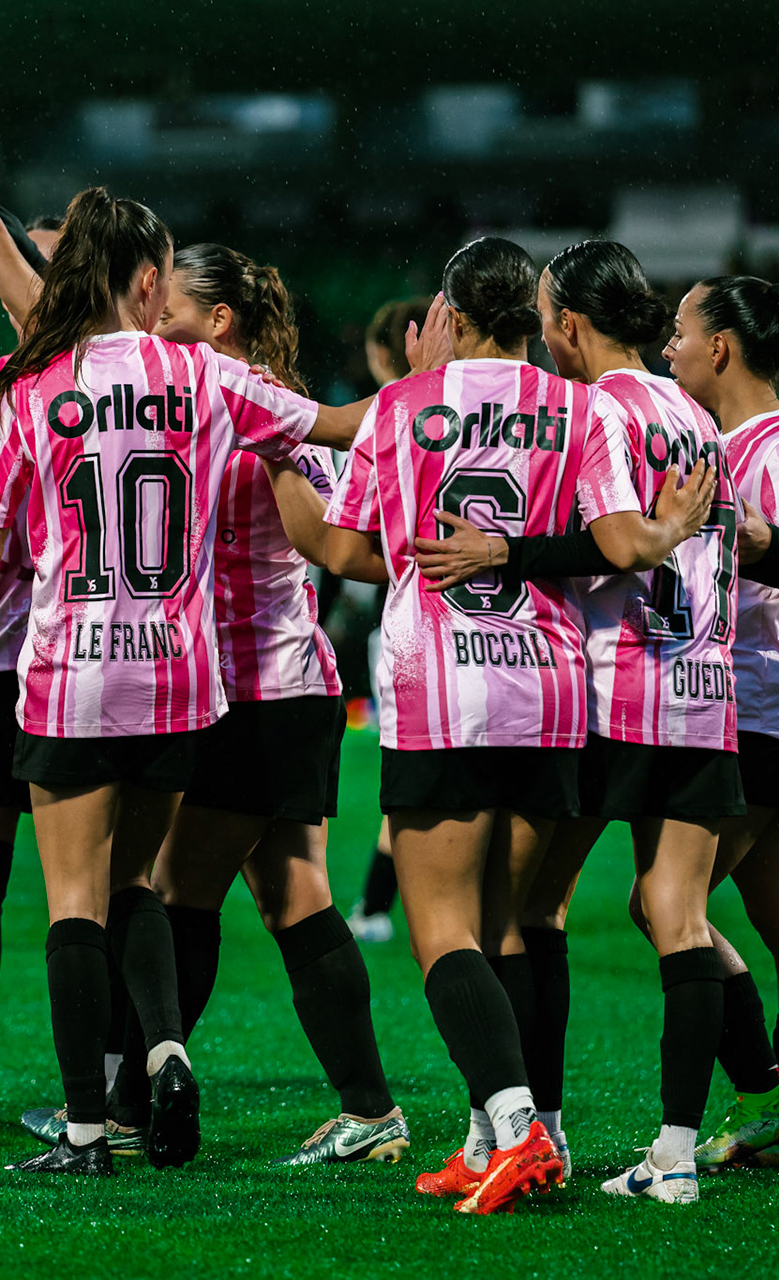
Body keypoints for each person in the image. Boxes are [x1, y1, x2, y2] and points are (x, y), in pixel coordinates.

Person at [0, 185, 369, 1177]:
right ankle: (162, 1050)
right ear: (150, 279)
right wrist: (447, 396)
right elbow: (335, 424)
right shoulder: (205, 376)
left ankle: (84, 1130)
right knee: (145, 888)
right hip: (179, 678)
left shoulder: (35, 387)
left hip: (73, 674)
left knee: (74, 899)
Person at [285, 237, 712, 1214]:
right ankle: (497, 1132)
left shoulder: (402, 406)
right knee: (511, 923)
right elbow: (610, 543)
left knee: (443, 934)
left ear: (451, 313)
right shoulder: (581, 406)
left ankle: (516, 1123)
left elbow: (349, 548)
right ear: (533, 315)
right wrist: (665, 532)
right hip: (553, 691)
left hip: (442, 688)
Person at [17, 243, 408, 1166]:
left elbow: (322, 540)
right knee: (292, 893)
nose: (152, 320)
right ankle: (369, 1109)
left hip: (253, 686)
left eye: (173, 306)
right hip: (286, 685)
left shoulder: (240, 401)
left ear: (219, 320)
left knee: (169, 896)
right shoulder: (219, 392)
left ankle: (127, 1100)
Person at [423, 239, 738, 1205]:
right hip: (706, 694)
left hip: (612, 689)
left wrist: (498, 550)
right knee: (680, 919)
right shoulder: (697, 416)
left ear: (564, 326)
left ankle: (534, 1128)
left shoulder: (590, 408)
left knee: (524, 912)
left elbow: (600, 544)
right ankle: (676, 1156)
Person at [664, 275, 779, 1170]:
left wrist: (760, 537)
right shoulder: (724, 438)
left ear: (722, 349)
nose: (670, 348)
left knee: (665, 904)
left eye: (680, 333)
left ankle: (766, 1095)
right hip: (773, 713)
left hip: (764, 713)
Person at [346, 295, 431, 945]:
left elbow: (347, 548)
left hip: (410, 619)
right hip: (504, 624)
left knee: (407, 768)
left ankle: (377, 903)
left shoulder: (391, 417)